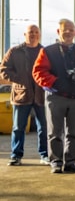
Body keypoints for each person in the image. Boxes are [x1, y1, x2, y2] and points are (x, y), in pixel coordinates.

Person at [32, 19, 75, 174]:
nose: (68, 32)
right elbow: (38, 72)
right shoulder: (48, 51)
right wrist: (55, 82)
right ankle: (55, 161)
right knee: (55, 132)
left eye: (71, 30)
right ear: (58, 32)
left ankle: (70, 162)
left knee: (73, 132)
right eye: (64, 29)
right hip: (56, 97)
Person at [1, 24, 48, 166]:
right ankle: (16, 155)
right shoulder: (15, 51)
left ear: (39, 35)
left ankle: (45, 155)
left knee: (44, 127)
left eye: (35, 32)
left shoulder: (45, 52)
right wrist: (20, 79)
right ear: (25, 34)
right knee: (18, 127)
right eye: (30, 32)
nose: (33, 34)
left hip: (41, 95)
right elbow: (4, 70)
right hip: (22, 95)